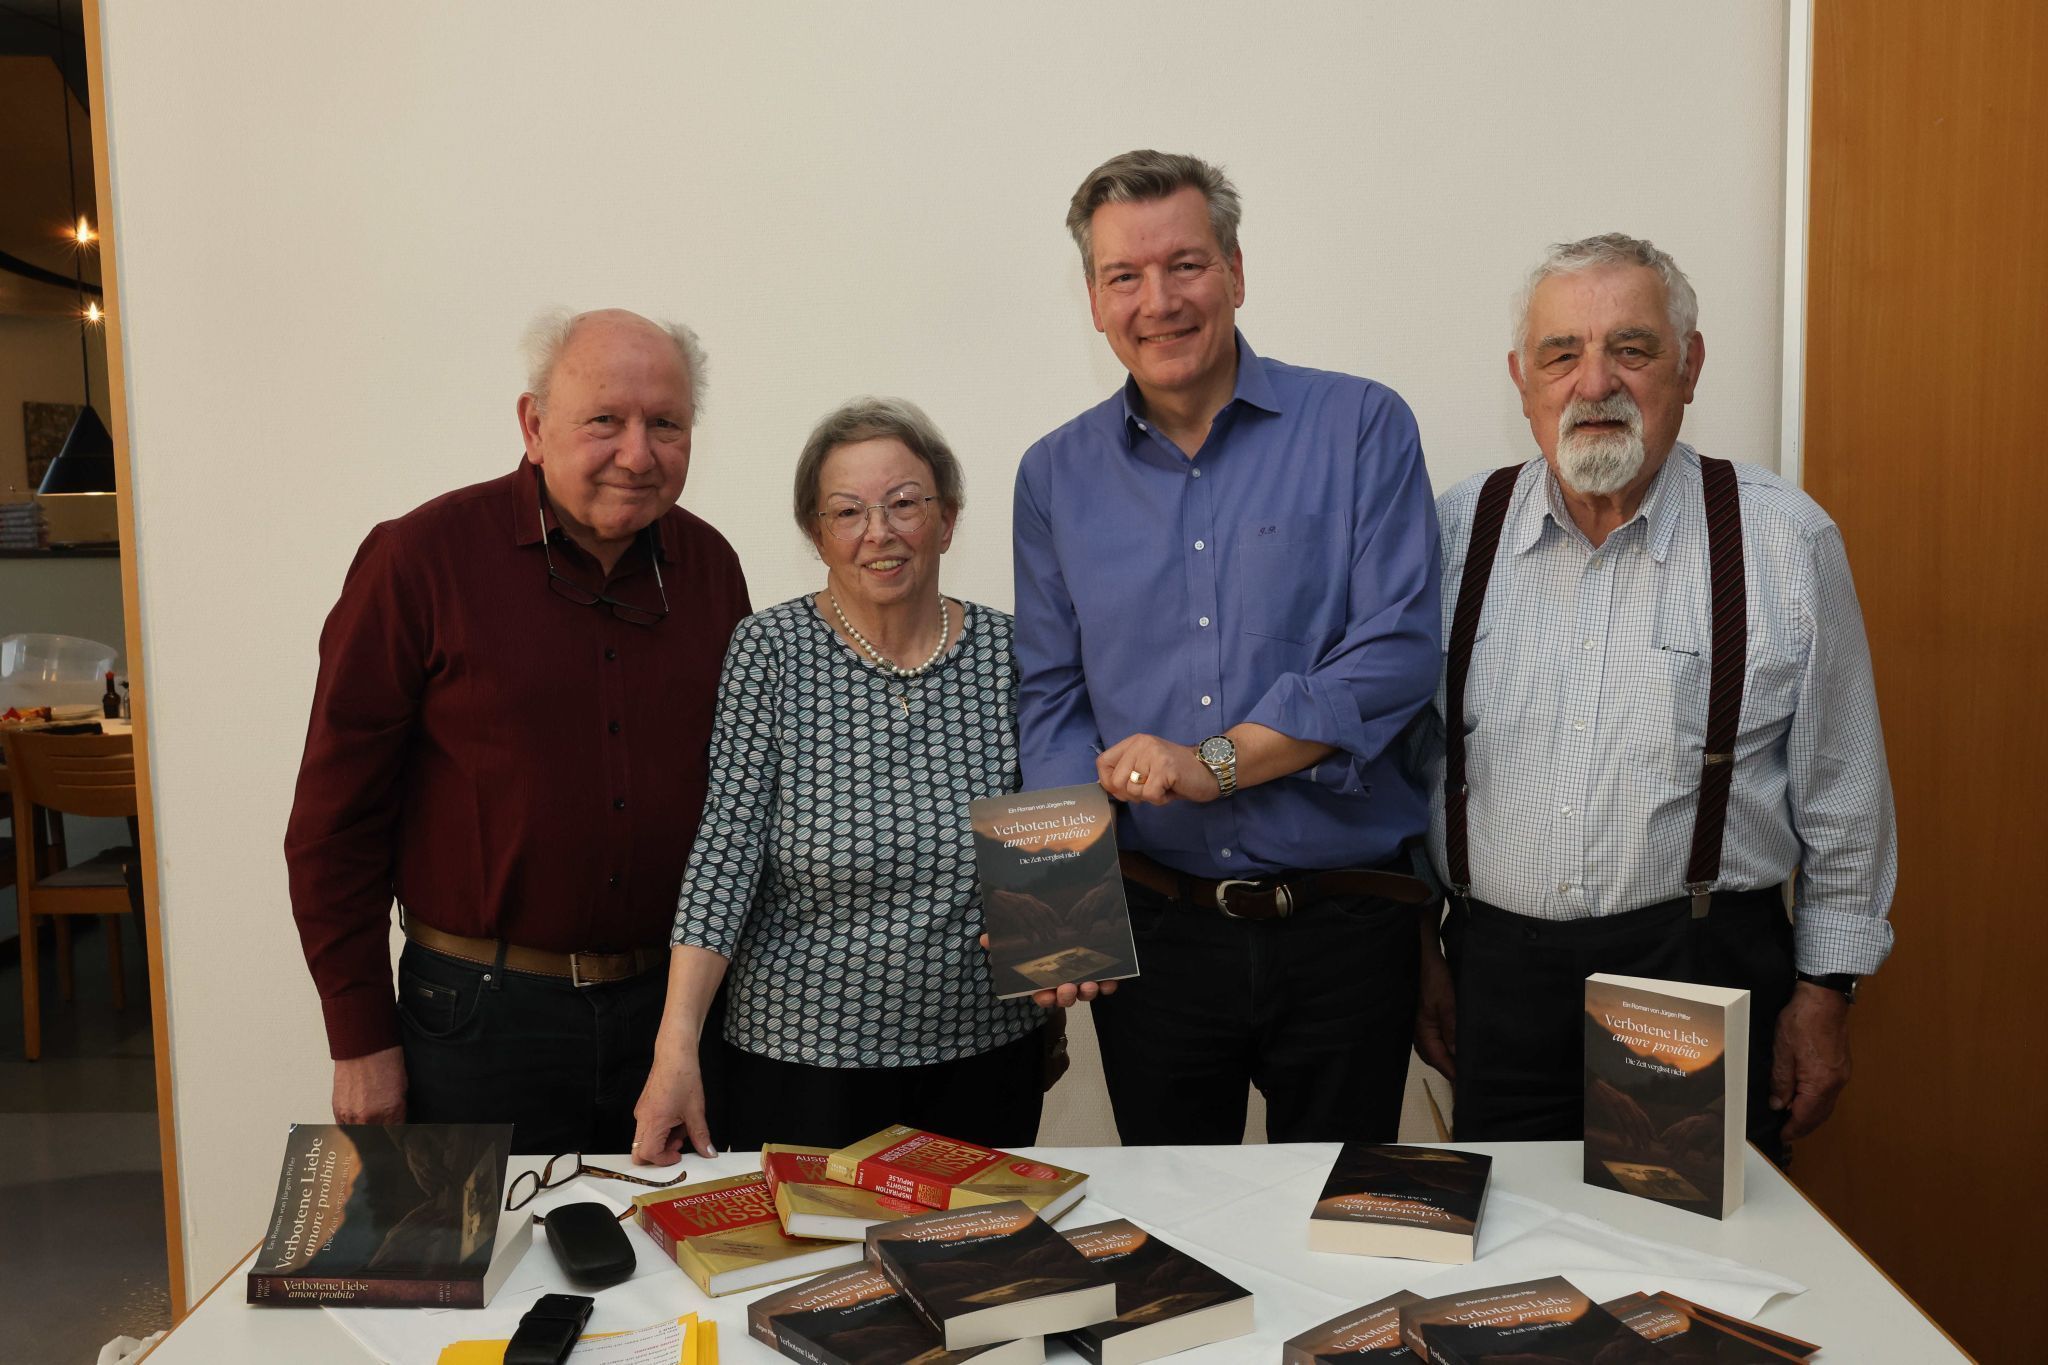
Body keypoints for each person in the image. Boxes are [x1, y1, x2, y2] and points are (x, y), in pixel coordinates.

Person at [1417, 234, 1896, 1158]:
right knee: (1509, 1240)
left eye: (1631, 349)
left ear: (1690, 366)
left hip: (1697, 976)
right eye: (1562, 353)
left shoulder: (1785, 540)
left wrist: (1826, 991)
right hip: (1497, 982)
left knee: (1679, 1247)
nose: (1594, 382)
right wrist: (1420, 955)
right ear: (1522, 379)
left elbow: (1846, 796)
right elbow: (1409, 765)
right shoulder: (1452, 532)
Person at [1012, 150, 1443, 1146]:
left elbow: (1395, 653)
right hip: (1154, 938)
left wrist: (1216, 762)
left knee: (1338, 1219)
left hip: (1346, 929)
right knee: (1170, 1225)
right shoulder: (1052, 476)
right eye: (1124, 275)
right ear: (1094, 301)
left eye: (1185, 265)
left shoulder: (1361, 426)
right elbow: (1052, 697)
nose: (1157, 301)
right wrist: (1059, 904)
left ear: (1236, 272)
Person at [285, 308, 750, 1153]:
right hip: (475, 1022)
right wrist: (359, 1036)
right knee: (474, 1243)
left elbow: (741, 811)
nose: (637, 454)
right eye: (604, 420)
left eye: (666, 424)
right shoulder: (419, 559)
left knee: (665, 1240)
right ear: (534, 425)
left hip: (671, 1020)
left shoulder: (711, 570)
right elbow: (335, 821)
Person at [631, 397, 1047, 1163]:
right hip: (797, 1065)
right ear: (817, 533)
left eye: (905, 504)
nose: (878, 532)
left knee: (975, 1244)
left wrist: (1066, 953)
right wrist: (675, 1044)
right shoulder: (769, 651)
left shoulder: (1009, 652)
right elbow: (725, 851)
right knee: (811, 1246)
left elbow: (1047, 823)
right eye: (848, 511)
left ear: (947, 519)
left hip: (985, 1055)